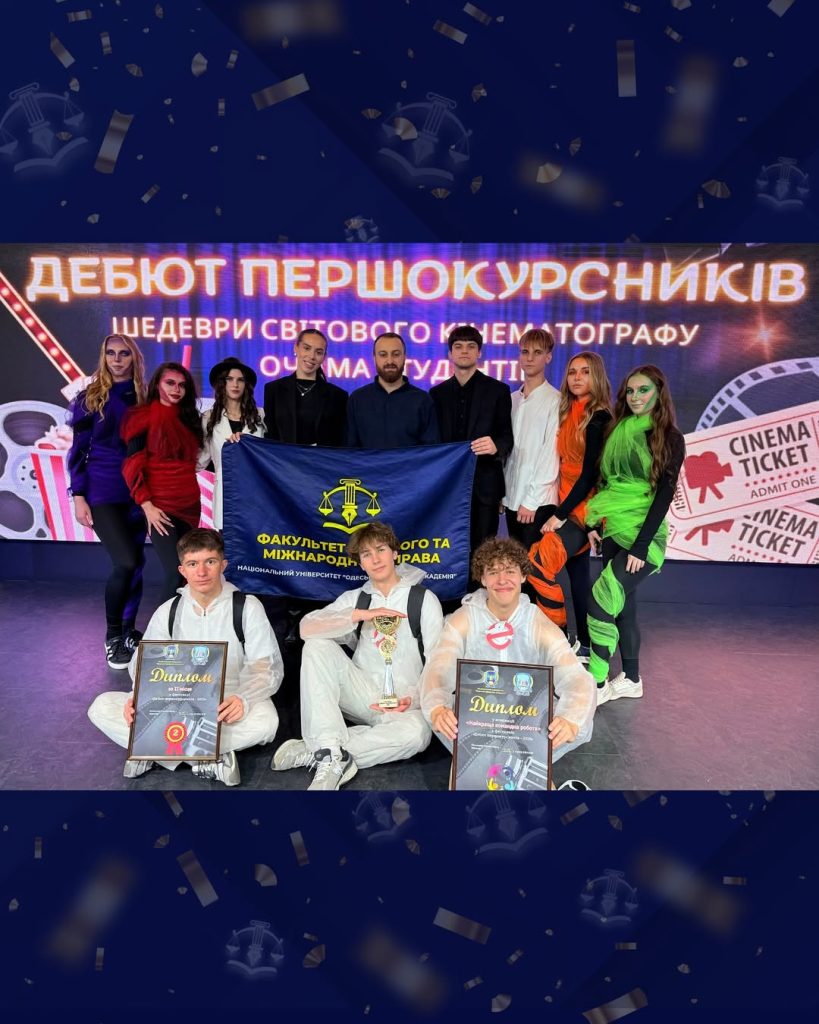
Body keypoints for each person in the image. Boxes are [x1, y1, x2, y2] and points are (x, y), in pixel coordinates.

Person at [87, 528, 283, 786]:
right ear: (182, 570)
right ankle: (208, 758)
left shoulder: (247, 607)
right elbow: (144, 665)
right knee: (101, 707)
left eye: (210, 562)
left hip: (227, 699)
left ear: (223, 565)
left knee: (266, 722)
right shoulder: (168, 611)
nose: (201, 572)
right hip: (175, 699)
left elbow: (266, 667)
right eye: (192, 564)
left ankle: (155, 751)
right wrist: (137, 697)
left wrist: (243, 699)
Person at [271, 522, 444, 790]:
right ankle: (328, 750)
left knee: (417, 735)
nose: (375, 559)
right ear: (361, 564)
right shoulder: (357, 598)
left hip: (406, 703)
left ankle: (321, 752)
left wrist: (415, 698)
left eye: (381, 549)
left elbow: (439, 662)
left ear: (395, 553)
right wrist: (360, 615)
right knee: (317, 646)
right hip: (364, 695)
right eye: (366, 554)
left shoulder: (423, 599)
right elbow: (306, 627)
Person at [419, 538, 595, 769]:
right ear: (483, 579)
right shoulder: (464, 618)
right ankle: (486, 766)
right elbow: (438, 668)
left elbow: (575, 676)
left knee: (578, 724)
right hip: (477, 714)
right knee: (440, 718)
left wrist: (570, 719)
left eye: (510, 571)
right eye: (493, 572)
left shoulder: (537, 622)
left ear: (523, 576)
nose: (502, 580)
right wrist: (438, 708)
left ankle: (516, 767)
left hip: (526, 717)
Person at [585, 365, 686, 703]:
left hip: (644, 538)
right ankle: (631, 679)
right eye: (630, 391)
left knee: (600, 599)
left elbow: (664, 496)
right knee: (624, 607)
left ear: (659, 393)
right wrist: (595, 524)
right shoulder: (617, 430)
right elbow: (607, 483)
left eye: (643, 390)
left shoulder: (670, 437)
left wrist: (641, 547)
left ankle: (597, 683)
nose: (635, 396)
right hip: (613, 529)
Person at [67, 334, 148, 669]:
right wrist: (78, 495)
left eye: (124, 353)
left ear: (133, 357)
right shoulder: (90, 397)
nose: (117, 359)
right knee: (125, 562)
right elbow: (78, 450)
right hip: (102, 491)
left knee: (137, 563)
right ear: (104, 357)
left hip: (139, 492)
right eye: (111, 353)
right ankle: (113, 635)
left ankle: (129, 630)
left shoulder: (145, 396)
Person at [528, 353, 613, 659]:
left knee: (537, 564)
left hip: (583, 508)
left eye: (585, 372)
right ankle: (586, 646)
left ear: (597, 377)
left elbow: (590, 475)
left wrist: (561, 516)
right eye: (572, 372)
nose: (577, 378)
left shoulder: (599, 417)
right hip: (567, 501)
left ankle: (560, 637)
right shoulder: (569, 410)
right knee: (578, 579)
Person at [121, 361, 203, 602]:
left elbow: (201, 460)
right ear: (157, 384)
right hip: (159, 507)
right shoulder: (142, 417)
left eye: (182, 385)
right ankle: (162, 625)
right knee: (174, 572)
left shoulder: (190, 420)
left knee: (188, 572)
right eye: (170, 383)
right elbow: (132, 465)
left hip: (189, 504)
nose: (176, 389)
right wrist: (147, 506)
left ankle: (181, 622)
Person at [430, 325, 513, 553]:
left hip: (485, 487)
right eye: (458, 346)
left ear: (479, 352)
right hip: (448, 486)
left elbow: (507, 437)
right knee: (448, 549)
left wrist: (496, 445)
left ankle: (480, 580)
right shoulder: (436, 394)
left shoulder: (498, 390)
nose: (464, 351)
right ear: (450, 353)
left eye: (471, 346)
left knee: (483, 550)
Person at [502, 328, 560, 549]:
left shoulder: (555, 400)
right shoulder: (512, 399)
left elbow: (551, 454)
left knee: (533, 565)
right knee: (517, 563)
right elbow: (508, 451)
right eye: (525, 352)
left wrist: (532, 501)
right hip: (513, 498)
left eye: (537, 352)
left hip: (538, 502)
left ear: (548, 357)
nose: (529, 358)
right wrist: (503, 494)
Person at [200, 356, 265, 530]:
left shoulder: (261, 416)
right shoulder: (208, 418)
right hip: (226, 493)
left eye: (240, 380)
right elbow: (201, 460)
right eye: (230, 379)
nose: (235, 384)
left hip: (256, 492)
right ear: (222, 384)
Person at [346, 332, 439, 448]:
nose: (390, 361)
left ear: (404, 357)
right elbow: (349, 451)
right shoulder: (357, 399)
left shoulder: (423, 400)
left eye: (396, 354)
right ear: (374, 358)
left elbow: (431, 451)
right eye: (383, 355)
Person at [263, 327, 348, 445]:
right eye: (307, 348)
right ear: (296, 348)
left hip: (322, 457)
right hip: (282, 457)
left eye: (319, 352)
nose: (312, 356)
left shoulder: (338, 396)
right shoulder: (274, 390)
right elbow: (269, 436)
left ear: (324, 356)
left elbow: (341, 440)